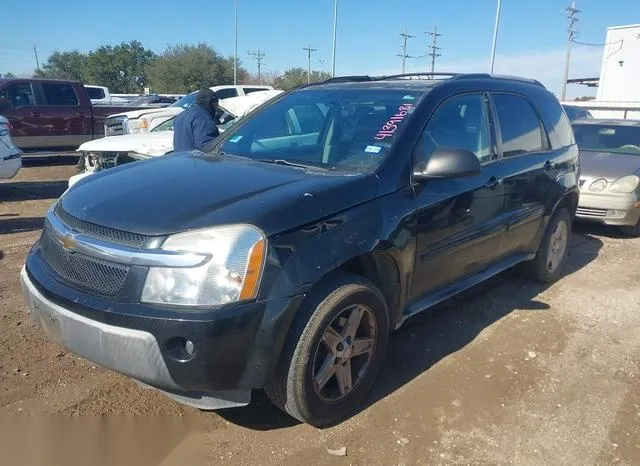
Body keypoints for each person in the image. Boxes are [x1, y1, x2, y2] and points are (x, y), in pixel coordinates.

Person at [172, 88, 220, 152]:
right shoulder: (203, 118)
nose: (217, 106)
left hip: (180, 158)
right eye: (216, 103)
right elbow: (207, 146)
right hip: (195, 160)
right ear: (210, 102)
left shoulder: (180, 116)